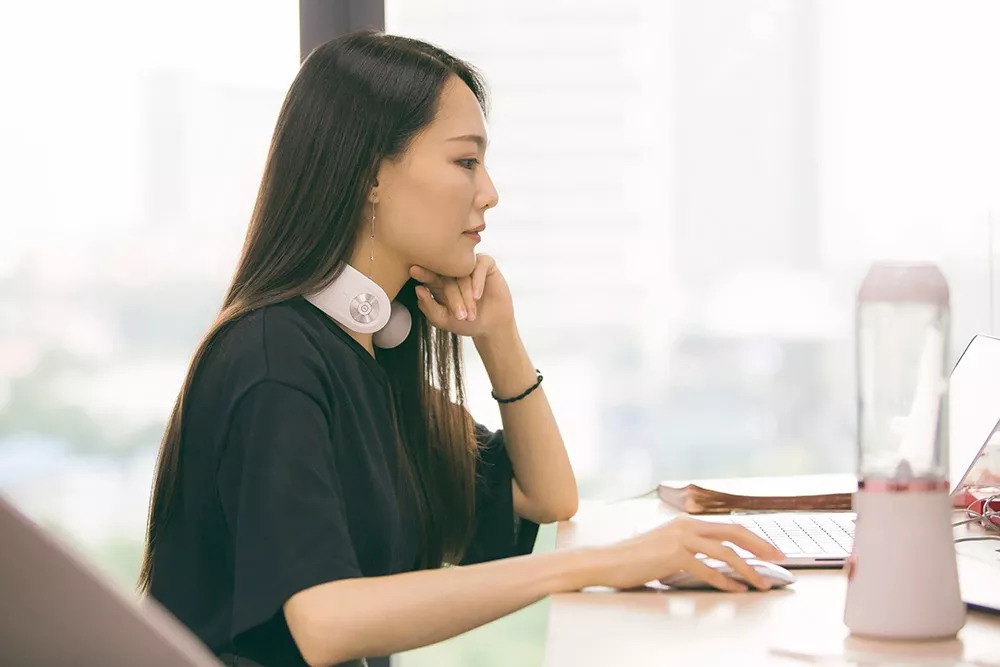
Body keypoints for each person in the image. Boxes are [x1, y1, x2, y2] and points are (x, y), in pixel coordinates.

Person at [138, 30, 784, 667]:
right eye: (465, 161)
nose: (489, 192)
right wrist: (595, 566)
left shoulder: (368, 349)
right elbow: (323, 620)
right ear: (370, 175)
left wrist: (499, 336)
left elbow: (545, 496)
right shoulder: (274, 360)